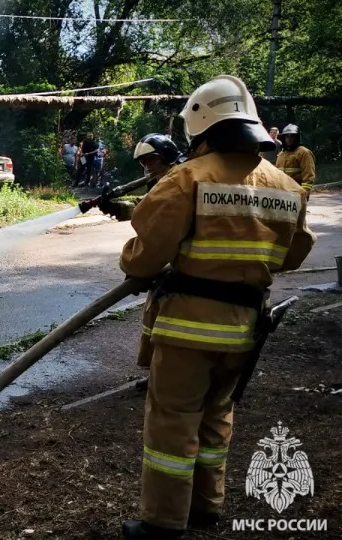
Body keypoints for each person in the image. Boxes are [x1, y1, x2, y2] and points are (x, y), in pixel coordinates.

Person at [118, 74, 315, 539]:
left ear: (200, 127)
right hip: (245, 330)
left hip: (188, 329)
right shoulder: (286, 186)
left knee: (173, 423)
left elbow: (148, 251)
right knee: (216, 416)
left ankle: (162, 523)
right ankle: (207, 505)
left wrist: (132, 262)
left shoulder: (187, 178)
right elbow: (293, 254)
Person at [99, 133, 184, 222]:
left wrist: (119, 209)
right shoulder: (162, 181)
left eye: (151, 159)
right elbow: (147, 201)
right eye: (143, 162)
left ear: (167, 156)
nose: (147, 166)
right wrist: (118, 208)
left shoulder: (179, 181)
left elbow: (154, 205)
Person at [275, 124, 316, 195]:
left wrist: (303, 194)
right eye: (287, 136)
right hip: (282, 194)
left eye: (292, 136)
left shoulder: (304, 153)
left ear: (297, 138)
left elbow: (308, 176)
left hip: (296, 193)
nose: (289, 139)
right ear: (283, 138)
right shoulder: (281, 154)